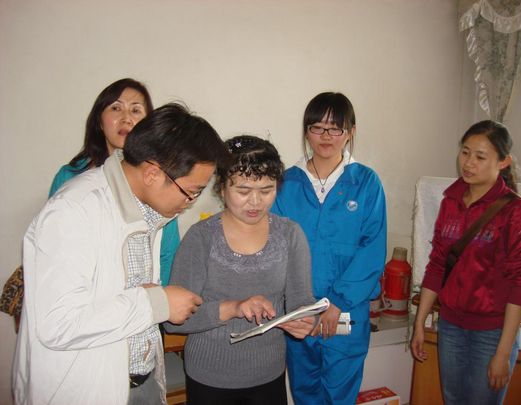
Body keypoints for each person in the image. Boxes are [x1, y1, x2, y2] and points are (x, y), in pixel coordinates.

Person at [12, 103, 231, 405]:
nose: (190, 202)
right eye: (192, 191)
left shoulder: (149, 212)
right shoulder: (73, 212)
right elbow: (58, 323)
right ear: (153, 173)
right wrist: (158, 303)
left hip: (140, 379)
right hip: (86, 390)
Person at [164, 135, 316, 405]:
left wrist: (306, 320)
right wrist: (233, 308)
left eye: (266, 190)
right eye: (243, 191)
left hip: (269, 374)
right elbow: (175, 320)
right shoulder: (201, 238)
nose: (255, 202)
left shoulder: (290, 235)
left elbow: (301, 301)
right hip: (209, 376)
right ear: (222, 188)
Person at [411, 120, 521, 405]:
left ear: (503, 162)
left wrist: (503, 353)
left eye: (480, 157)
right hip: (451, 326)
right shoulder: (450, 202)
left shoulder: (516, 212)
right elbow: (438, 265)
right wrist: (420, 323)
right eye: (465, 152)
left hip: (492, 333)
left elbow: (520, 285)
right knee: (452, 400)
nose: (468, 163)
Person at [272, 92, 387, 404]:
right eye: (317, 127)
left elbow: (372, 249)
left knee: (340, 396)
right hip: (299, 313)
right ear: (306, 131)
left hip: (346, 313)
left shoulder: (366, 183)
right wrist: (296, 305)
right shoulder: (286, 183)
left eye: (335, 128)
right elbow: (276, 249)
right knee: (304, 393)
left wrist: (338, 302)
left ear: (350, 132)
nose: (326, 136)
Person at [48, 78, 180, 286]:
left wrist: (159, 298)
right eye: (116, 108)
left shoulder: (159, 181)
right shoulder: (70, 178)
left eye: (135, 110)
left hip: (145, 296)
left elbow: (167, 255)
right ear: (100, 122)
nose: (126, 118)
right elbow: (55, 248)